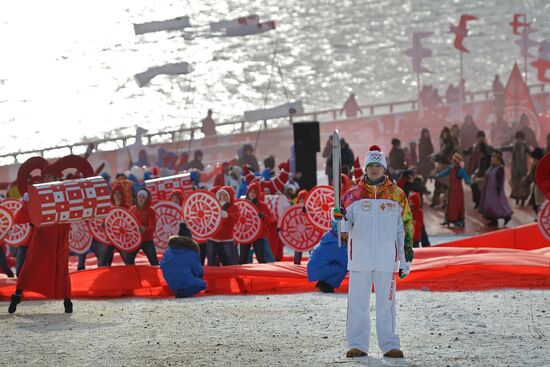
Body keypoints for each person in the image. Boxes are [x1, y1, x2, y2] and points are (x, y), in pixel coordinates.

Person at [334, 145, 413, 359]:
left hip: (387, 259)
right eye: (371, 165)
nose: (375, 169)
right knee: (358, 304)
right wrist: (338, 220)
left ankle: (389, 344)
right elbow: (343, 229)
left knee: (386, 304)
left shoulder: (397, 195)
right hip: (359, 258)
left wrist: (406, 260)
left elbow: (405, 229)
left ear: (384, 168)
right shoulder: (352, 196)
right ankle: (357, 344)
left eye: (378, 165)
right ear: (365, 168)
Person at [160, 223, 206, 298]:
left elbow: (162, 264)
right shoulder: (192, 252)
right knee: (203, 284)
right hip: (185, 282)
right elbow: (199, 272)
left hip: (171, 283)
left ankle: (179, 291)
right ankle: (184, 292)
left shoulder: (168, 250)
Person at [307, 221, 348, 293]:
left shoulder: (330, 236)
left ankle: (324, 283)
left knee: (340, 265)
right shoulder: (336, 244)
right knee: (344, 268)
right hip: (318, 269)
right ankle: (327, 285)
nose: (346, 234)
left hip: (316, 267)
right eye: (343, 232)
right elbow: (346, 262)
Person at [238, 182, 274, 264]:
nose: (252, 194)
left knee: (260, 257)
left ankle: (263, 276)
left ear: (257, 194)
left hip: (258, 234)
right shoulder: (243, 204)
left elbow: (270, 219)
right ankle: (240, 276)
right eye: (251, 191)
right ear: (248, 192)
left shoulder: (262, 205)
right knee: (242, 258)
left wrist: (263, 216)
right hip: (245, 234)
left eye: (255, 192)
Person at [434, 153, 472, 228]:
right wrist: (437, 175)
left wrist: (471, 181)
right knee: (449, 205)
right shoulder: (451, 168)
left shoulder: (461, 170)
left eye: (453, 160)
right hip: (451, 189)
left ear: (456, 161)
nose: (452, 161)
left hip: (458, 191)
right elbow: (444, 173)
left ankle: (458, 221)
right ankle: (447, 219)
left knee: (457, 205)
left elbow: (467, 179)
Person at [125, 188, 159, 266]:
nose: (141, 199)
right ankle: (132, 275)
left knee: (154, 261)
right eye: (139, 196)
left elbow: (152, 227)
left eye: (143, 197)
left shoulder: (151, 211)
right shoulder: (132, 209)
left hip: (147, 240)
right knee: (128, 260)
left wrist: (144, 229)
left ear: (146, 199)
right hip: (135, 240)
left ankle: (157, 276)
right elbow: (127, 223)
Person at [207, 186, 239, 266]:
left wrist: (228, 215)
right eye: (222, 195)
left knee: (230, 265)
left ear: (229, 196)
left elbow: (235, 219)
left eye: (225, 195)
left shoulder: (234, 208)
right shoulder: (213, 206)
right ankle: (211, 279)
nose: (223, 197)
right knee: (211, 264)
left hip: (227, 240)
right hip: (213, 239)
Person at [479, 151, 513, 226]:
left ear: (498, 159)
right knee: (490, 205)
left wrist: (498, 189)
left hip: (495, 191)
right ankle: (493, 220)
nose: (492, 159)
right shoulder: (491, 167)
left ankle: (506, 216)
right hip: (489, 190)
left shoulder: (499, 169)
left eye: (494, 157)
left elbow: (499, 181)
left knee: (497, 205)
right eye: (492, 157)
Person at [499, 131, 531, 206]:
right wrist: (496, 149)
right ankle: (517, 199)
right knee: (515, 184)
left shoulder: (525, 146)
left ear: (523, 139)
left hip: (523, 169)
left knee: (523, 185)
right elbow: (504, 148)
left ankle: (523, 200)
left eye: (521, 139)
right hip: (515, 169)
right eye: (518, 139)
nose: (519, 140)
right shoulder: (513, 146)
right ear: (516, 139)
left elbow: (531, 153)